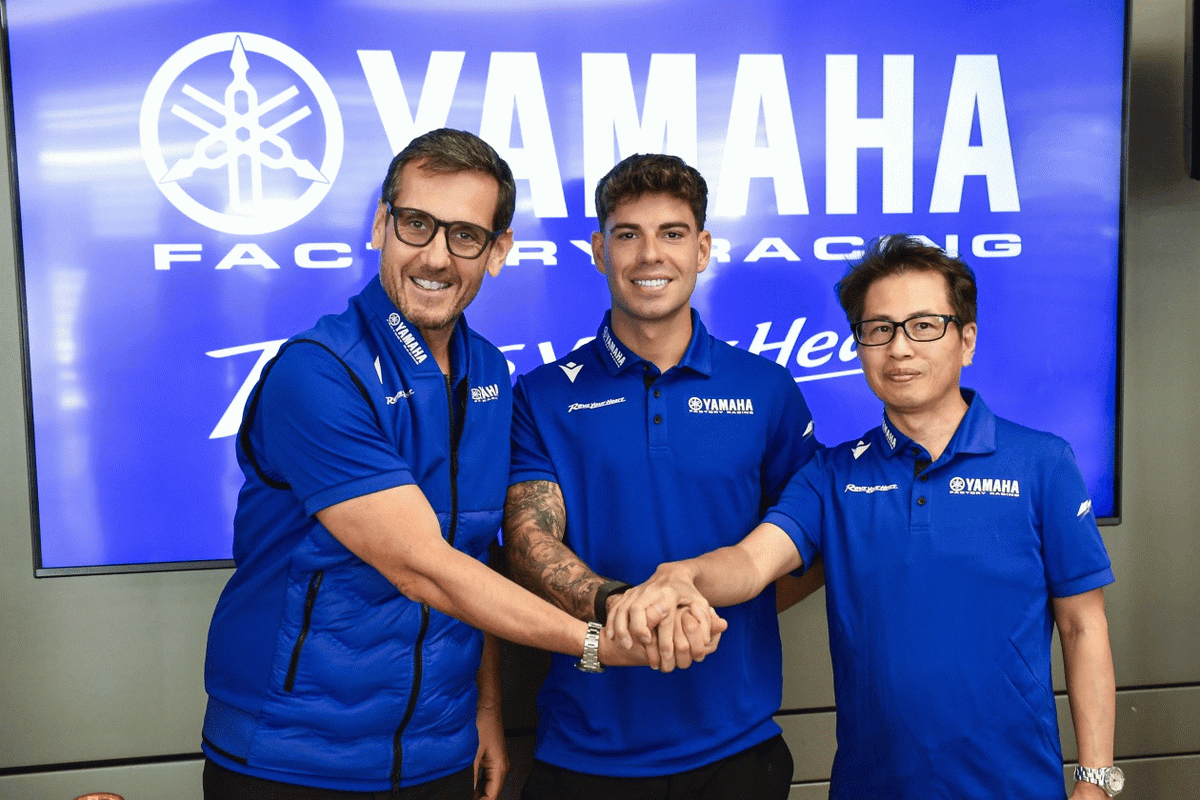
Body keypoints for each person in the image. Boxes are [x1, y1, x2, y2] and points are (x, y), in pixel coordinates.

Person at [201, 129, 676, 800]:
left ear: (498, 251)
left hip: (440, 755)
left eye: (465, 236)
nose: (435, 256)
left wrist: (485, 711)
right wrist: (595, 642)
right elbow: (422, 566)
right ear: (381, 225)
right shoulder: (317, 372)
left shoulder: (490, 373)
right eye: (417, 224)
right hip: (292, 761)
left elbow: (472, 557)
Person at [608, 234, 1122, 799]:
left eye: (924, 326)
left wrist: (1096, 781)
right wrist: (683, 575)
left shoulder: (1043, 463)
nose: (899, 349)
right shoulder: (831, 475)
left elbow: (1083, 627)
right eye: (879, 330)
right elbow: (751, 564)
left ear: (967, 340)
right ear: (859, 346)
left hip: (1016, 787)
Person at [503, 153, 823, 800]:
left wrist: (704, 612)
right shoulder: (541, 395)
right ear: (600, 251)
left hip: (737, 750)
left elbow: (808, 541)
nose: (651, 254)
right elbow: (529, 542)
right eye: (628, 234)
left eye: (672, 233)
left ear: (702, 249)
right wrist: (629, 609)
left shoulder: (768, 389)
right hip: (584, 754)